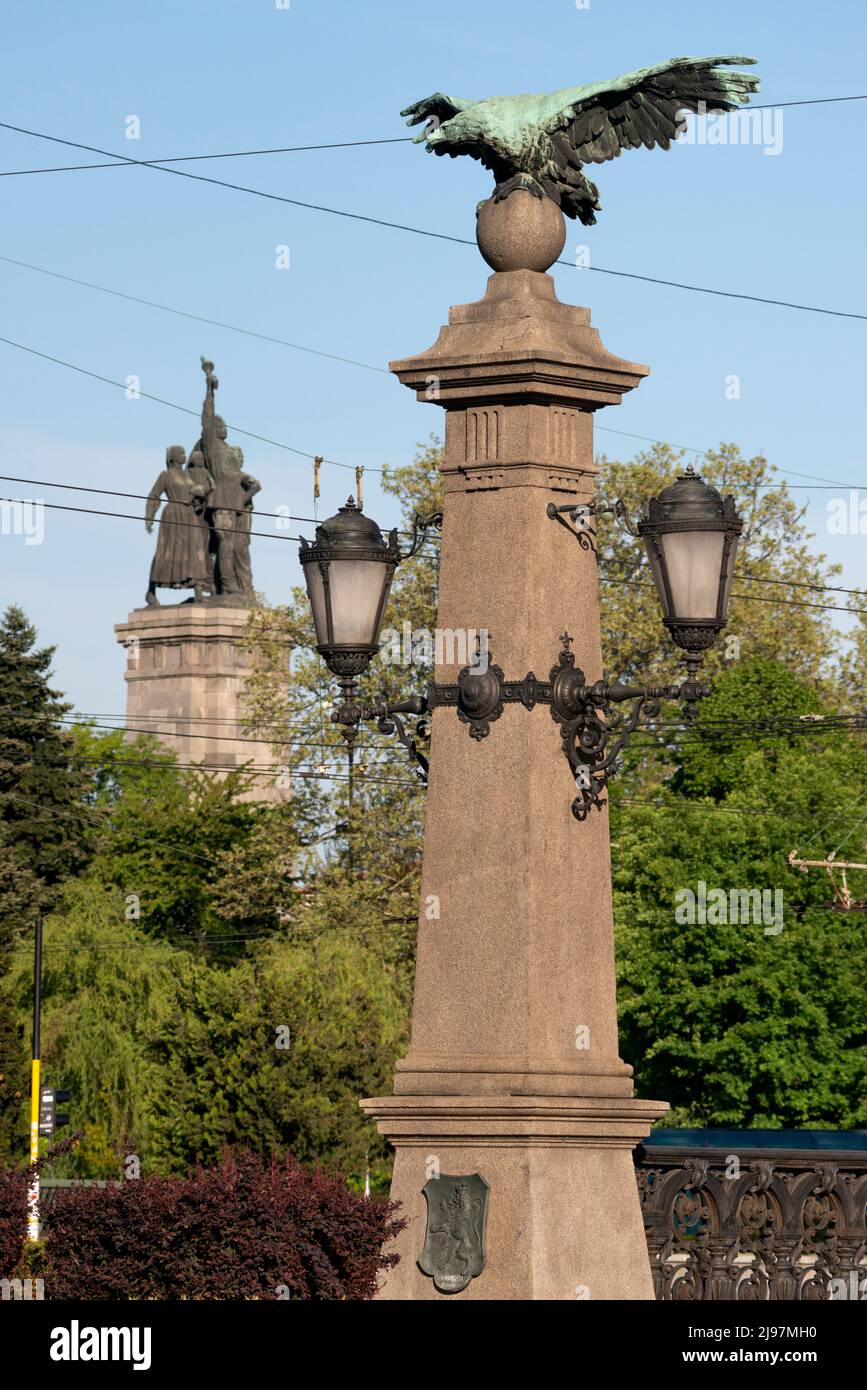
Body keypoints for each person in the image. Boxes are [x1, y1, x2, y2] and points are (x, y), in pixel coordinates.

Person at [144, 446, 213, 605]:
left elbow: (197, 494)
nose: (184, 455)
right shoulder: (166, 475)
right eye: (181, 453)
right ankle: (151, 590)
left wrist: (203, 490)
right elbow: (154, 494)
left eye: (184, 453)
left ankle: (198, 590)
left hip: (189, 515)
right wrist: (149, 516)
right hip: (173, 514)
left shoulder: (187, 475)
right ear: (173, 457)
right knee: (166, 552)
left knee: (195, 550)